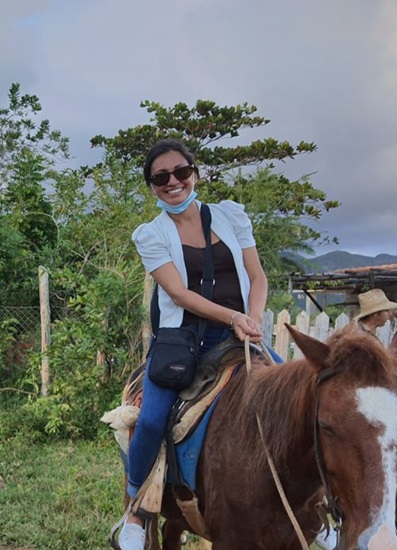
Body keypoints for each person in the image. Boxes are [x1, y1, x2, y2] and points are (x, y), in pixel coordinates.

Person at [114, 139, 268, 550]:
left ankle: (316, 505)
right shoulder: (151, 234)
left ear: (195, 173)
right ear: (151, 187)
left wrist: (251, 319)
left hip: (241, 337)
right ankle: (135, 507)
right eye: (160, 177)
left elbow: (258, 278)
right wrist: (233, 317)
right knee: (149, 420)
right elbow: (179, 294)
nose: (173, 182)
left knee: (303, 399)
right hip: (182, 344)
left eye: (181, 172)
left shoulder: (231, 216)